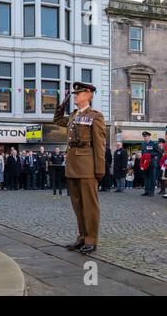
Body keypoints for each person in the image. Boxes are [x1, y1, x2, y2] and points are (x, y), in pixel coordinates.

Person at [53, 82, 106, 254]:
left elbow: (99, 145)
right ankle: (82, 237)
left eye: (79, 93)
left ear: (88, 95)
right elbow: (56, 120)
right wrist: (61, 106)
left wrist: (99, 168)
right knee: (77, 205)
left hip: (88, 166)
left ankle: (92, 239)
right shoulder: (73, 115)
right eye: (74, 94)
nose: (75, 96)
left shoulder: (95, 116)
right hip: (73, 165)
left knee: (90, 205)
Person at [141, 131, 160, 197]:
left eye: (146, 136)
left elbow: (158, 152)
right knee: (146, 178)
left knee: (152, 178)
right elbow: (143, 153)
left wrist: (149, 155)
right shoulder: (143, 144)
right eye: (144, 137)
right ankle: (146, 191)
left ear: (149, 136)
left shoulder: (153, 143)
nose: (145, 138)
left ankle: (151, 192)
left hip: (152, 163)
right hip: (145, 163)